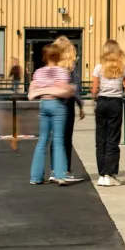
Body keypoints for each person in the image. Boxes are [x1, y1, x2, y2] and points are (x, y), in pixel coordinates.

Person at [27, 44, 75, 186]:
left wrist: (44, 90)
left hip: (44, 103)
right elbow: (64, 89)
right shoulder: (62, 72)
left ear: (45, 57)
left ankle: (35, 177)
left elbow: (32, 89)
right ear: (58, 56)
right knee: (58, 140)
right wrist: (70, 90)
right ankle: (60, 174)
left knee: (42, 140)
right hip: (58, 105)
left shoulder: (39, 72)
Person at [92, 40, 125, 187]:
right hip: (115, 103)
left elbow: (94, 89)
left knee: (100, 139)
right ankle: (108, 173)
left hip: (102, 102)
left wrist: (94, 101)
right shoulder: (123, 68)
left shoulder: (99, 68)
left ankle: (102, 175)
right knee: (113, 139)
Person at [52, 36, 85, 183]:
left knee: (56, 137)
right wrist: (80, 105)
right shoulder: (71, 67)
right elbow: (75, 88)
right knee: (66, 138)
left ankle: (54, 170)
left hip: (53, 103)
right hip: (67, 103)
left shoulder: (51, 67)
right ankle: (66, 170)